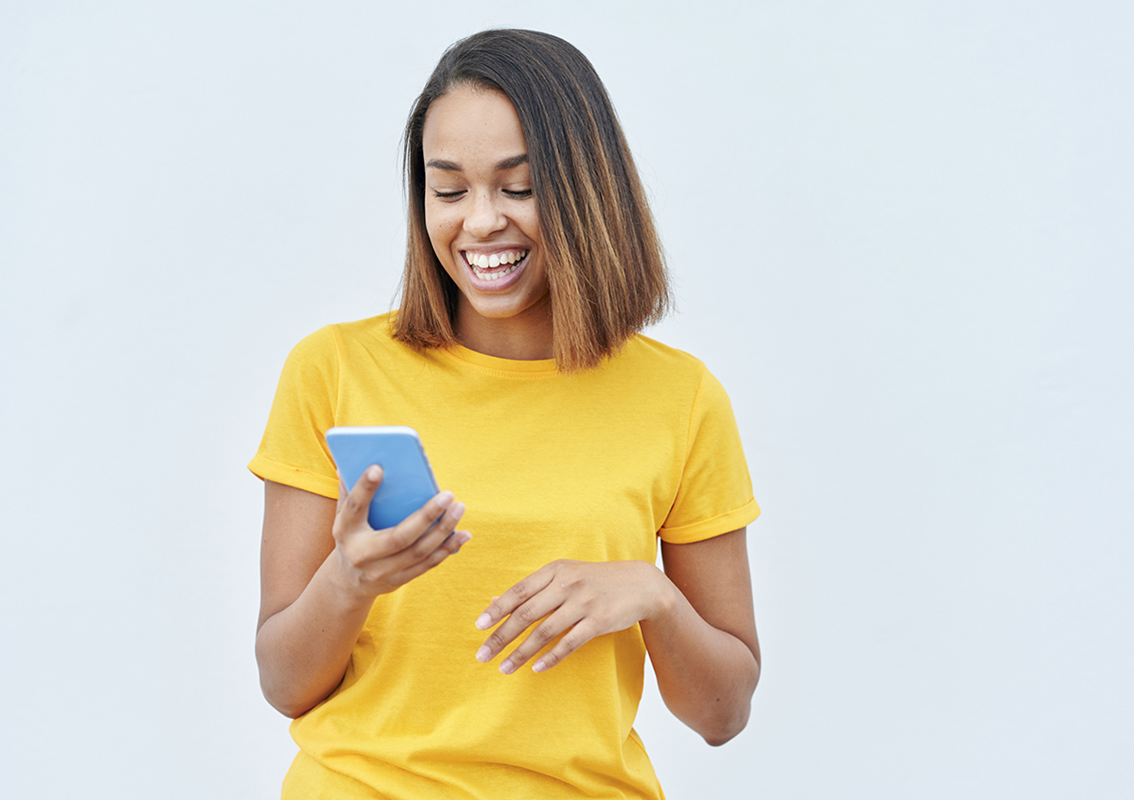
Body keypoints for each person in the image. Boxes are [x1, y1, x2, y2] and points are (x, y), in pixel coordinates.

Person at [249, 28, 761, 799]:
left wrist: (652, 594)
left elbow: (722, 713)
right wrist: (350, 580)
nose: (480, 222)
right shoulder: (332, 370)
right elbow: (284, 682)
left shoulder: (680, 398)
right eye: (449, 189)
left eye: (518, 188)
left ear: (588, 189)